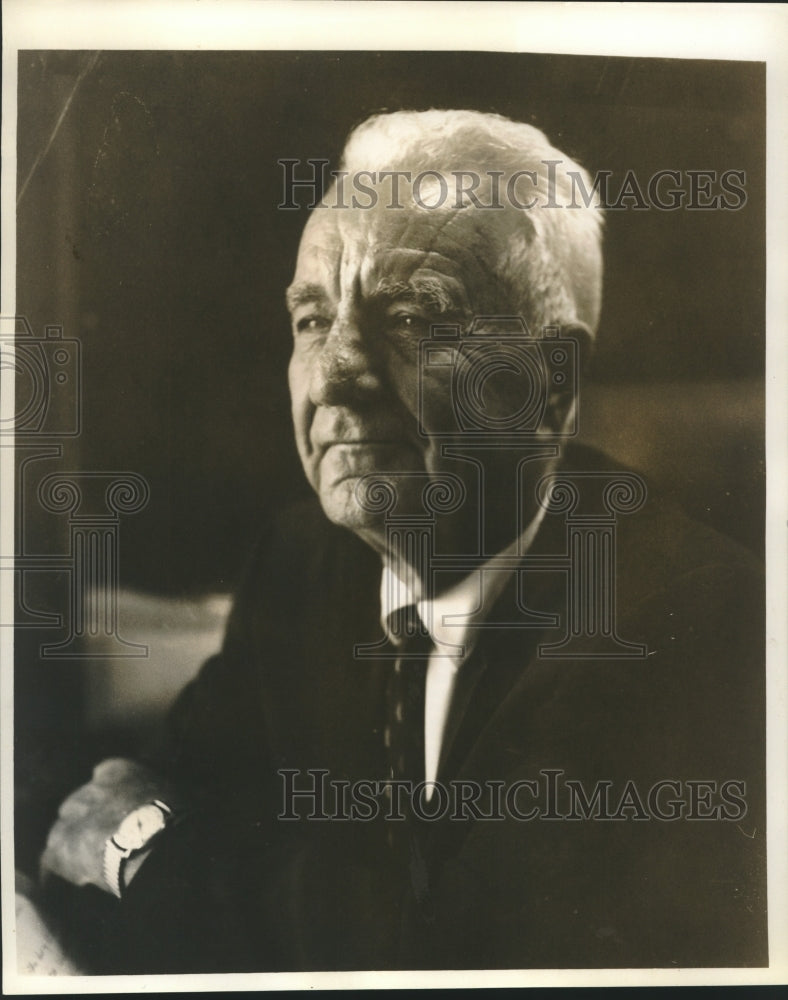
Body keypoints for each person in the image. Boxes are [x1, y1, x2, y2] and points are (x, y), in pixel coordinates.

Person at [39, 109, 766, 972]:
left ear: (551, 382)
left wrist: (144, 850)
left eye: (414, 318)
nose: (337, 370)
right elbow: (145, 808)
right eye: (312, 319)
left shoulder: (698, 624)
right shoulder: (303, 558)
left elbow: (456, 962)